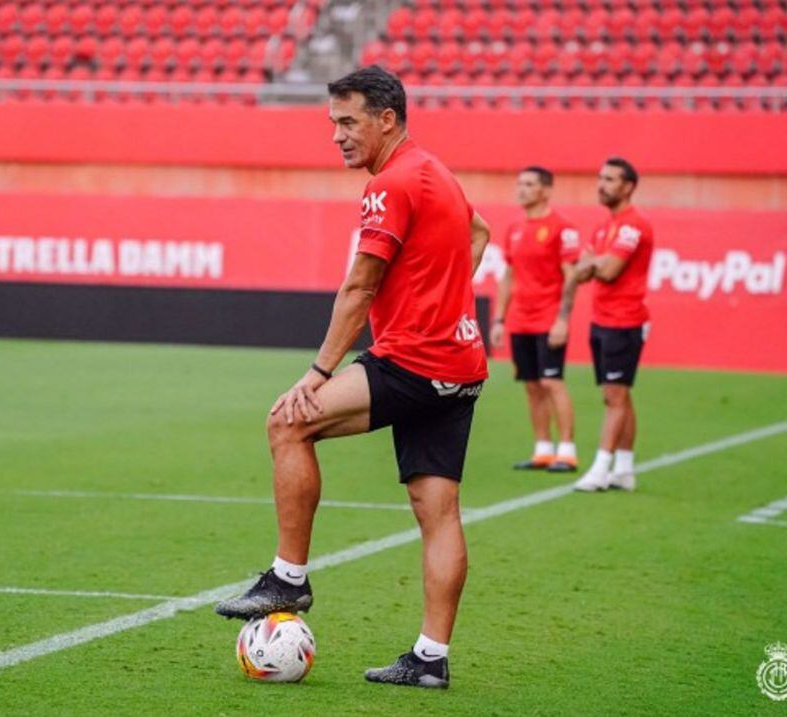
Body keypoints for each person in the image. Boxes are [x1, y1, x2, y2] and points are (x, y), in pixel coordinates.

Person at [214, 66, 491, 689]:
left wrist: (318, 372)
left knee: (288, 421)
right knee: (437, 511)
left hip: (414, 360)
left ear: (386, 119)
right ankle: (429, 658)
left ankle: (288, 577)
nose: (337, 136)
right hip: (461, 364)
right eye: (332, 124)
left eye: (348, 122)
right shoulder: (435, 170)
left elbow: (361, 284)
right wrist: (442, 301)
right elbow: (480, 233)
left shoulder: (390, 183)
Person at [490, 166, 581, 473]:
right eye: (520, 183)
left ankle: (567, 450)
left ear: (545, 190)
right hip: (520, 320)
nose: (522, 189)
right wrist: (500, 319)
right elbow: (509, 276)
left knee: (552, 381)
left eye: (529, 184)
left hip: (548, 319)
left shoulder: (562, 228)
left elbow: (572, 278)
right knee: (531, 384)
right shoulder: (514, 228)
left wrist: (562, 320)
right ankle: (543, 448)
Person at [571, 158, 653, 492]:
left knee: (615, 396)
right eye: (600, 177)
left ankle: (600, 468)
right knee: (616, 394)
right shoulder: (604, 226)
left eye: (610, 179)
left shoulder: (634, 225)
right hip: (601, 318)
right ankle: (625, 469)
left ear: (629, 186)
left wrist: (596, 262)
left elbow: (607, 271)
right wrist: (594, 262)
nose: (601, 184)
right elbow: (581, 269)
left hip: (626, 319)